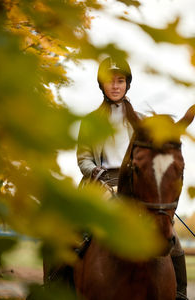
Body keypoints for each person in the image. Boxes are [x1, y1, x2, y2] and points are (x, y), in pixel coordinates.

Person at [77, 56, 188, 300]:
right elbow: (84, 159)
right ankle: (53, 283)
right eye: (110, 81)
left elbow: (150, 158)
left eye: (120, 81)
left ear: (127, 84)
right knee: (74, 232)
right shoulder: (90, 121)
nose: (115, 86)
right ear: (102, 85)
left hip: (136, 184)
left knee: (173, 240)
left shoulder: (140, 121)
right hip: (101, 183)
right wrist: (98, 177)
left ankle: (179, 293)